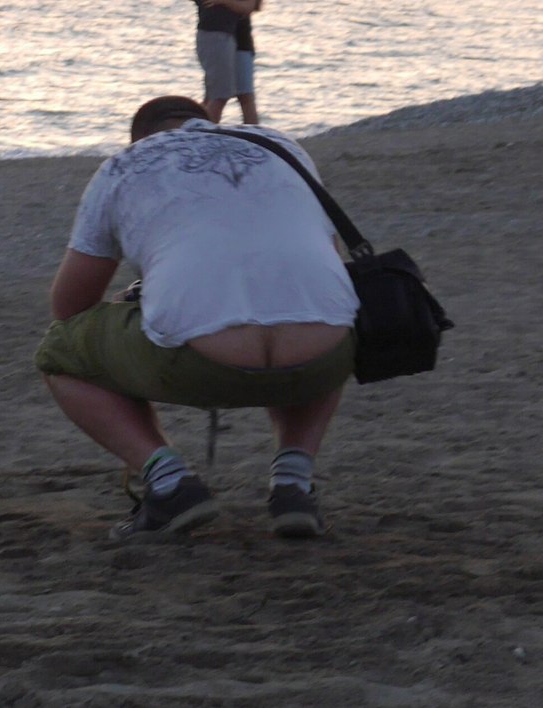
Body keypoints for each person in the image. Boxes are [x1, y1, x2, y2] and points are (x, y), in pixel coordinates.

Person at [34, 95, 357, 542]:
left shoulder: (125, 165)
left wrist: (145, 296)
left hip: (203, 363)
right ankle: (293, 483)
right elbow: (326, 264)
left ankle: (169, 485)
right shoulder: (283, 147)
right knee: (315, 306)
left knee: (60, 350)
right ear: (210, 123)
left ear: (139, 138)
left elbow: (69, 308)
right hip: (325, 360)